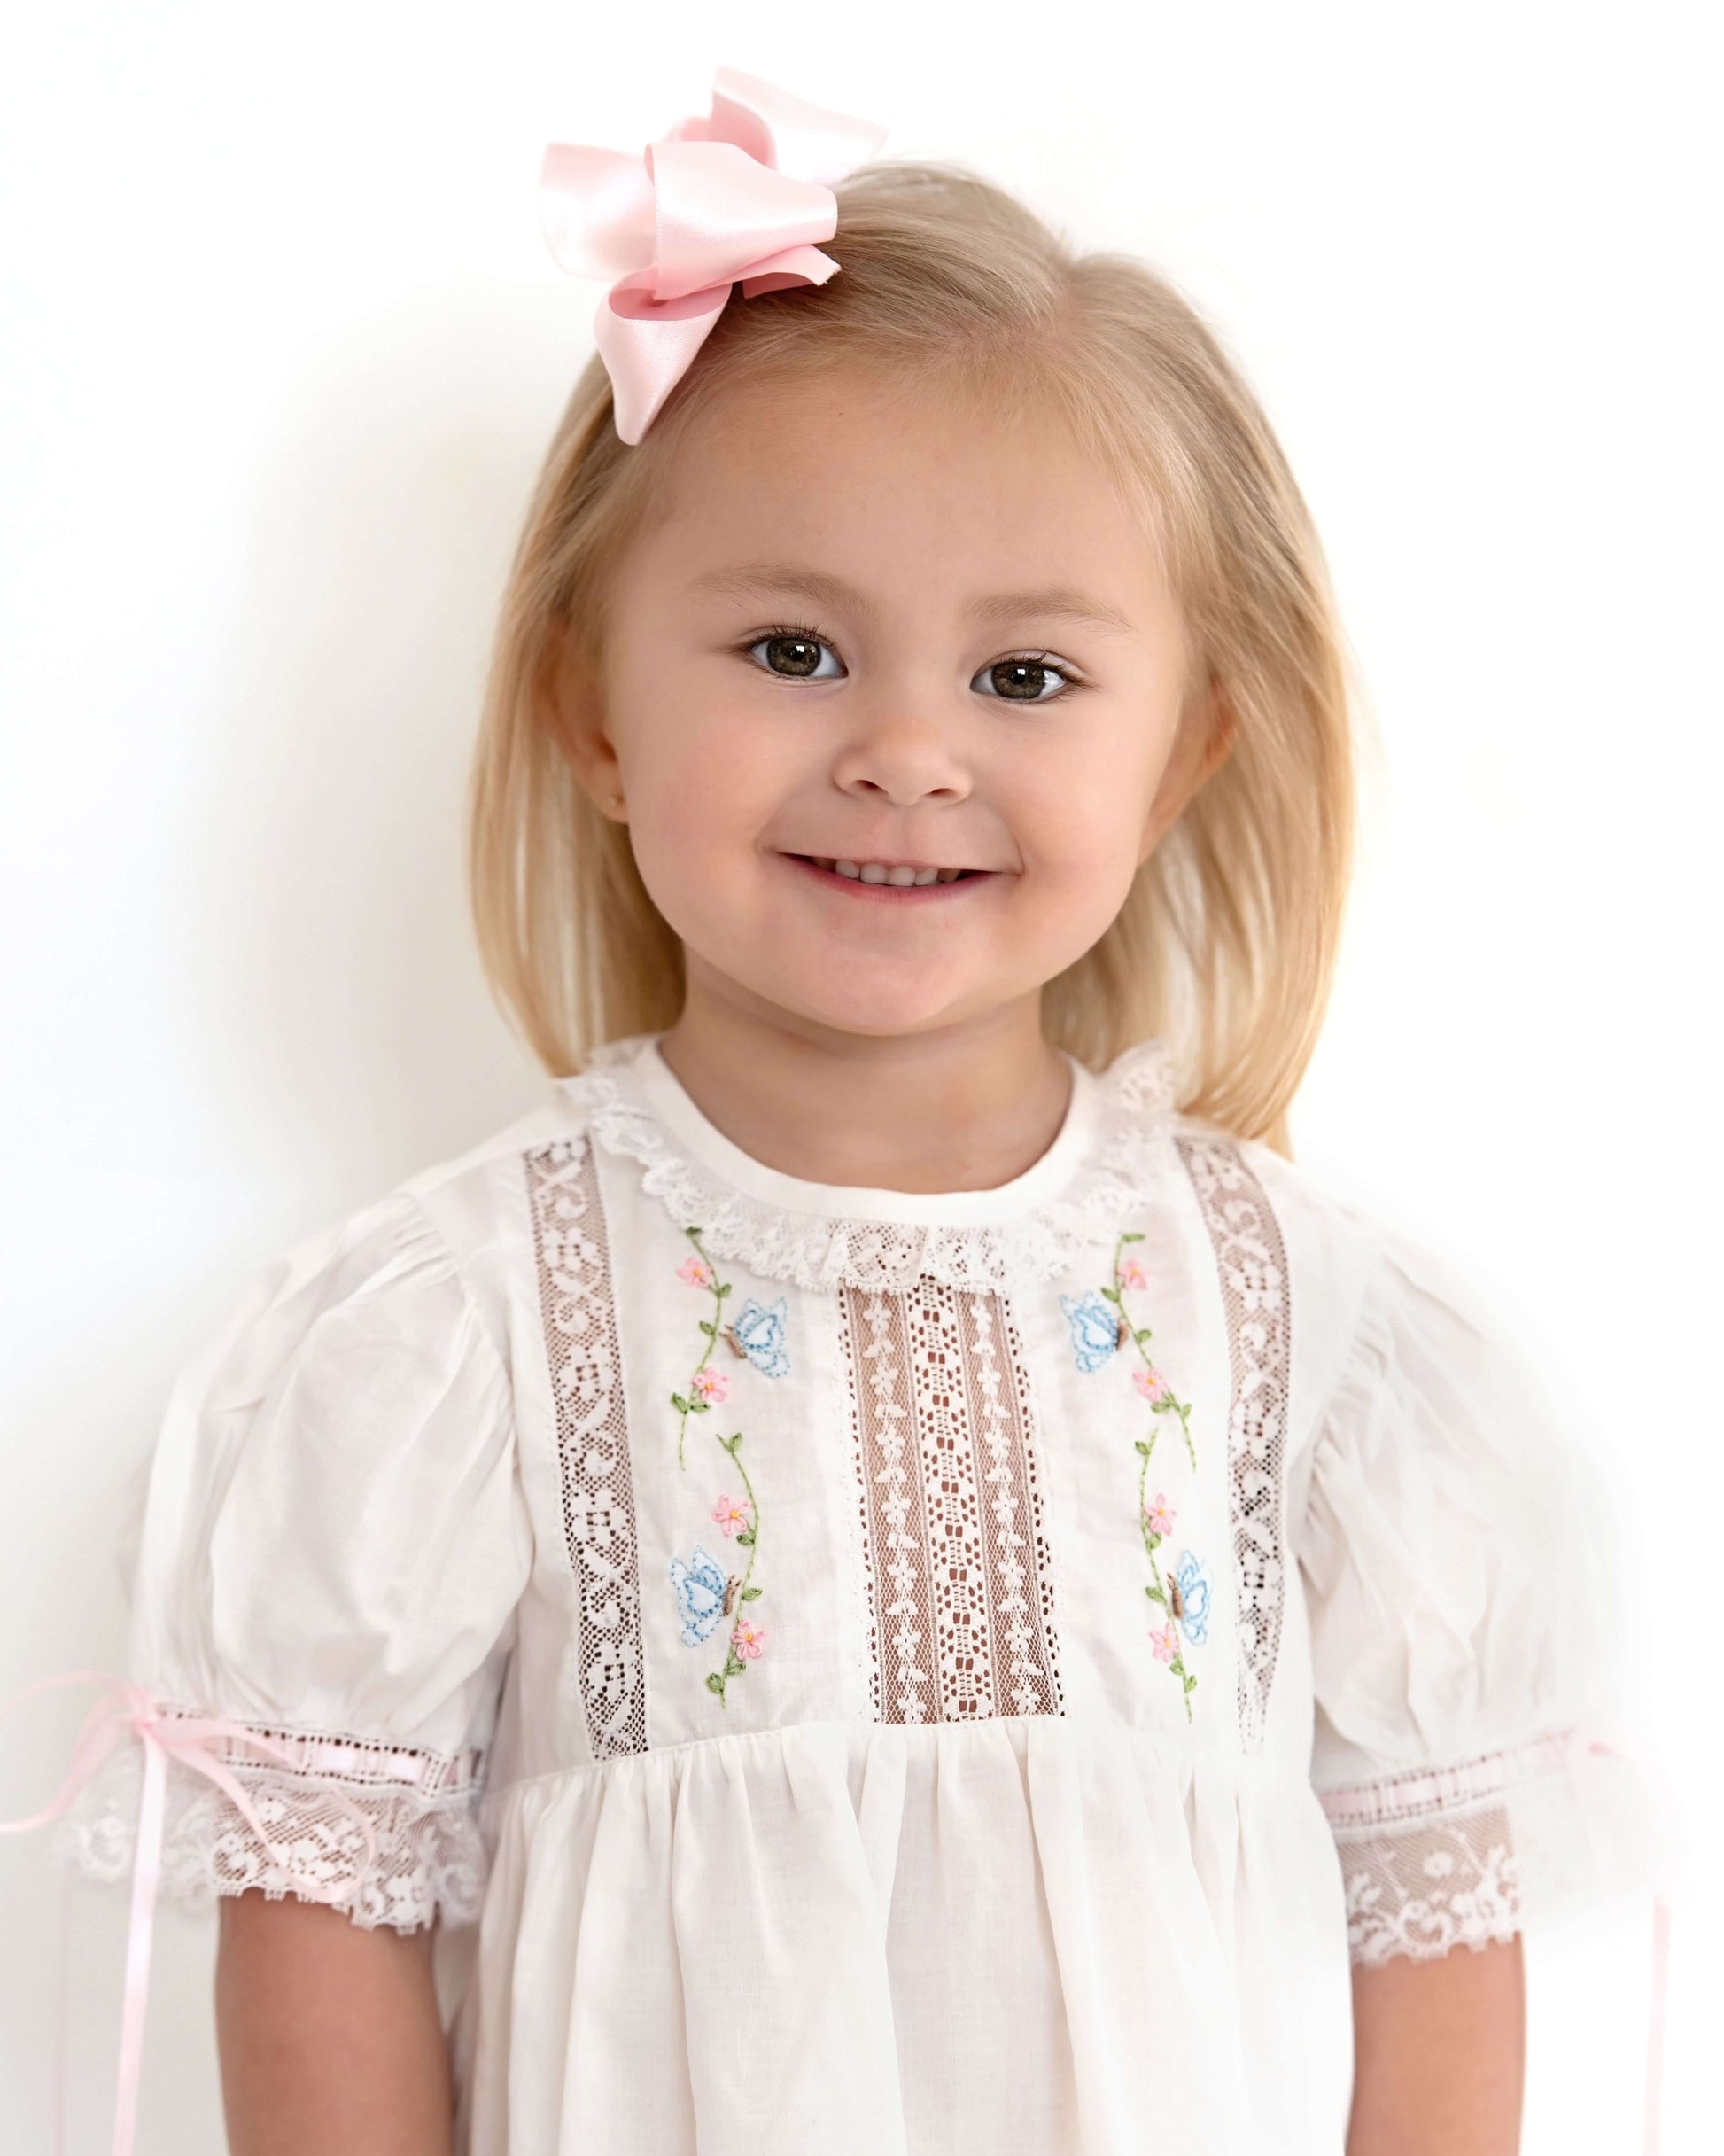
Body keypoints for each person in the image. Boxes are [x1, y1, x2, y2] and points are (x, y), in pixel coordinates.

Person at [54, 67, 1658, 2156]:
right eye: (794, 647)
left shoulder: (1315, 1341)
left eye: (1025, 678)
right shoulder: (452, 1332)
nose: (906, 751)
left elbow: (1432, 1948)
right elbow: (325, 1956)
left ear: (1184, 756)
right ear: (592, 714)